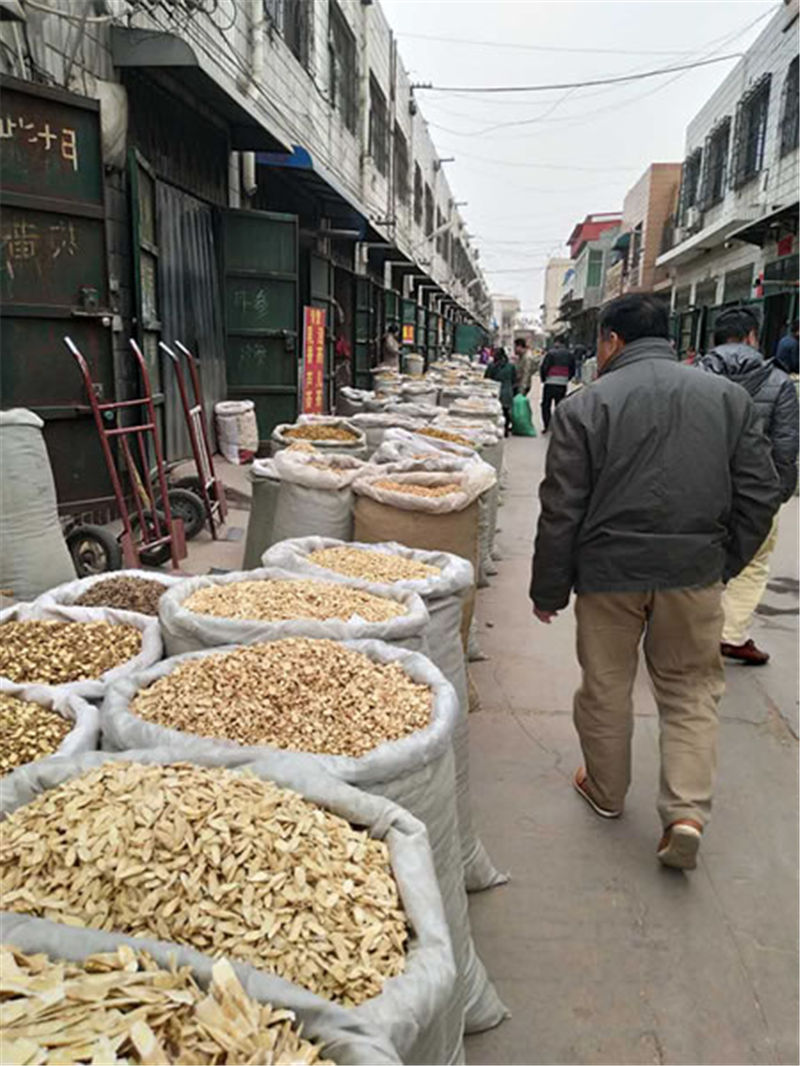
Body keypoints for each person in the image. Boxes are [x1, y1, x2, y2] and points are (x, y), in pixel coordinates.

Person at [530, 294, 780, 870]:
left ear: (612, 340)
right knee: (690, 690)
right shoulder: (729, 399)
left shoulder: (586, 407)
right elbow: (760, 492)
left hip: (608, 575)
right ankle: (686, 815)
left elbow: (562, 509)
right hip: (693, 572)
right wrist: (722, 563)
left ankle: (606, 791)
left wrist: (549, 590)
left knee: (606, 686)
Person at [697, 307, 799, 665]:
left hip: (698, 488)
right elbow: (786, 447)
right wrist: (777, 495)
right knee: (753, 562)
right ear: (753, 336)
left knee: (694, 556)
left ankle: (683, 628)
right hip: (756, 493)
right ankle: (730, 634)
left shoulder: (692, 377)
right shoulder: (780, 382)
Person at [539, 337, 575, 432]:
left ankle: (547, 426)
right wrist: (567, 379)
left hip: (550, 382)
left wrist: (543, 379)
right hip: (562, 384)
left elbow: (544, 367)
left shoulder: (550, 353)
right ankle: (558, 427)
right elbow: (572, 369)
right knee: (559, 406)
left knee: (546, 405)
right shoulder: (569, 355)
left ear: (556, 343)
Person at [485, 346, 517, 437]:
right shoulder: (511, 366)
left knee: (496, 412)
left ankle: (497, 430)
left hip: (495, 391)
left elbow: (487, 378)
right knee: (506, 411)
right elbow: (514, 379)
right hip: (507, 391)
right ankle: (506, 430)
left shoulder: (491, 366)